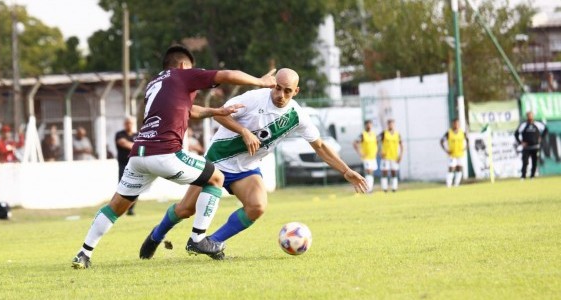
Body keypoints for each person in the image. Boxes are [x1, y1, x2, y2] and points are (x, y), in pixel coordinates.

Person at [71, 45, 276, 269]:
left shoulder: (155, 84)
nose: (193, 71)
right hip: (165, 153)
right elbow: (227, 75)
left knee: (116, 206)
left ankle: (83, 254)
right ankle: (198, 239)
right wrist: (260, 81)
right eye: (191, 67)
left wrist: (216, 112)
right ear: (182, 65)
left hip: (139, 155)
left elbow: (190, 110)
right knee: (215, 177)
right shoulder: (183, 75)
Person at [139, 68, 367, 260]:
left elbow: (320, 146)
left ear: (296, 92)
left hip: (246, 169)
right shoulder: (253, 98)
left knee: (257, 206)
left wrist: (346, 171)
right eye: (278, 87)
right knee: (185, 209)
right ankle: (156, 236)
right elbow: (219, 115)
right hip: (217, 161)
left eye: (287, 91)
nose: (280, 94)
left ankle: (210, 242)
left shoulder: (297, 116)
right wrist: (244, 131)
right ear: (273, 85)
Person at [515, 111, 547, 179]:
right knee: (525, 162)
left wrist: (541, 138)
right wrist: (521, 142)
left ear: (533, 116)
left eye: (531, 115)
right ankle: (523, 176)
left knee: (534, 162)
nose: (530, 117)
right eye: (529, 115)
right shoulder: (523, 125)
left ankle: (532, 176)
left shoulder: (537, 124)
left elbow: (545, 130)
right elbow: (516, 134)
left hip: (535, 147)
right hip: (526, 147)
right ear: (527, 117)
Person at [114, 116, 136, 215]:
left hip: (136, 165)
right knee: (122, 187)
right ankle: (118, 209)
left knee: (136, 187)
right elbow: (124, 143)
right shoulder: (120, 134)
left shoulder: (138, 135)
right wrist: (138, 146)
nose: (129, 125)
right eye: (127, 123)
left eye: (130, 123)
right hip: (123, 164)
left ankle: (130, 209)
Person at [440, 118, 468, 188]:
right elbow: (441, 141)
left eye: (458, 123)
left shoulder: (462, 133)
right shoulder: (449, 133)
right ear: (453, 124)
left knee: (459, 168)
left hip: (460, 154)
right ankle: (449, 185)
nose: (456, 125)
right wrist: (446, 150)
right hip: (452, 155)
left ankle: (456, 184)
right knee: (451, 168)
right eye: (455, 123)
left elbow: (467, 140)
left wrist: (465, 148)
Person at [379, 119, 403, 192]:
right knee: (385, 172)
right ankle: (385, 188)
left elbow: (401, 146)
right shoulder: (383, 133)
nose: (391, 125)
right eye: (389, 124)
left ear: (394, 125)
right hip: (385, 157)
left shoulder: (397, 134)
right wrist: (380, 152)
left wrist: (400, 156)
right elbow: (376, 142)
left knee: (394, 172)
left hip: (394, 157)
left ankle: (394, 188)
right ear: (387, 125)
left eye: (392, 124)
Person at [353, 120, 377, 193]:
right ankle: (367, 189)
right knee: (368, 172)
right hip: (366, 157)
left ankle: (370, 188)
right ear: (365, 125)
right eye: (367, 124)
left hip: (373, 157)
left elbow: (375, 144)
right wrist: (360, 153)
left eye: (370, 124)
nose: (369, 125)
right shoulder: (363, 135)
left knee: (371, 172)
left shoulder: (373, 134)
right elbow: (355, 143)